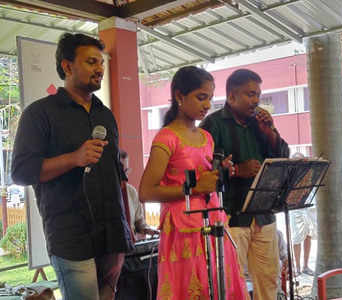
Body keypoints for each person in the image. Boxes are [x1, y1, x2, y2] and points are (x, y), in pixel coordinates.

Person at [11, 33, 133, 300]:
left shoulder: (105, 114)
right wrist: (73, 158)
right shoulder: (40, 114)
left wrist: (127, 226)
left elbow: (117, 175)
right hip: (71, 236)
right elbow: (20, 171)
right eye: (91, 62)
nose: (100, 69)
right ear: (67, 66)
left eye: (101, 63)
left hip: (112, 235)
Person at [139, 66, 249, 300]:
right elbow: (146, 192)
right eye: (201, 97)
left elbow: (204, 177)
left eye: (210, 97)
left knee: (220, 286)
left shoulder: (206, 137)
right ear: (180, 96)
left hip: (214, 222)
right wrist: (195, 188)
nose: (207, 104)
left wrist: (221, 172)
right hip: (184, 227)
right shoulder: (166, 138)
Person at [200, 68, 289, 300]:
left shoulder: (259, 124)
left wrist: (270, 132)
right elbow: (202, 171)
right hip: (231, 215)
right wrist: (237, 170)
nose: (256, 100)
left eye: (258, 94)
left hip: (264, 214)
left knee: (269, 279)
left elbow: (283, 157)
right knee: (231, 283)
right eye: (250, 94)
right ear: (231, 96)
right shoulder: (213, 125)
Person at [119, 149, 158, 240]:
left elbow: (139, 222)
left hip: (131, 244)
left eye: (127, 171)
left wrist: (147, 230)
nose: (125, 176)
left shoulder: (131, 191)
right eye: (121, 172)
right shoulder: (101, 193)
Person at [289, 152, 316, 277]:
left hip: (308, 207)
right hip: (295, 209)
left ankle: (305, 266)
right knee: (296, 238)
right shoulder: (290, 175)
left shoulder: (308, 173)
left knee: (308, 236)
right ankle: (297, 267)